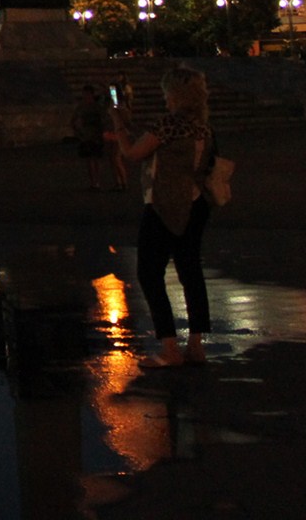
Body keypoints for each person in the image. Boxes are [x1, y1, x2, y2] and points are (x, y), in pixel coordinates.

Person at [120, 64, 217, 366]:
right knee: (190, 270)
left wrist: (118, 124)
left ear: (174, 94)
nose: (164, 98)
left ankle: (170, 347)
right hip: (196, 201)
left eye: (166, 93)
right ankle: (196, 345)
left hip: (163, 203)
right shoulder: (203, 127)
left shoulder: (168, 124)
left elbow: (133, 154)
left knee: (150, 273)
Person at [71, 84, 108, 189]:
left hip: (95, 135)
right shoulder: (84, 106)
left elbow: (103, 119)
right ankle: (94, 182)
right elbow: (73, 120)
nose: (86, 96)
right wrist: (78, 132)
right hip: (88, 135)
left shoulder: (95, 106)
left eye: (87, 94)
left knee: (94, 159)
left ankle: (96, 181)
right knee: (90, 159)